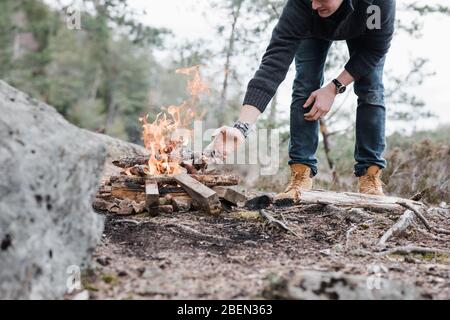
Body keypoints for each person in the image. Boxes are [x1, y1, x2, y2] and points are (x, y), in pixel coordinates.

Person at [207, 0, 396, 200]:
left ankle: (370, 174)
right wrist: (241, 127)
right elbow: (273, 64)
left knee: (370, 88)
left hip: (364, 33)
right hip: (315, 30)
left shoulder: (375, 6)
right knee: (305, 85)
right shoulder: (303, 5)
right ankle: (301, 172)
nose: (314, 5)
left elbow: (374, 49)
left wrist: (334, 87)